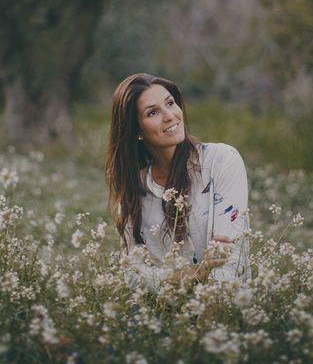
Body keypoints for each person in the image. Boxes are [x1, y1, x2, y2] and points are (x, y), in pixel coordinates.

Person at [105, 73, 250, 292]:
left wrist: (206, 319)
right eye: (153, 112)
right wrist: (194, 275)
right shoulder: (135, 191)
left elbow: (228, 258)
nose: (170, 116)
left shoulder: (221, 161)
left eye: (170, 103)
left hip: (226, 312)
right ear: (136, 132)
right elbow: (133, 275)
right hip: (164, 316)